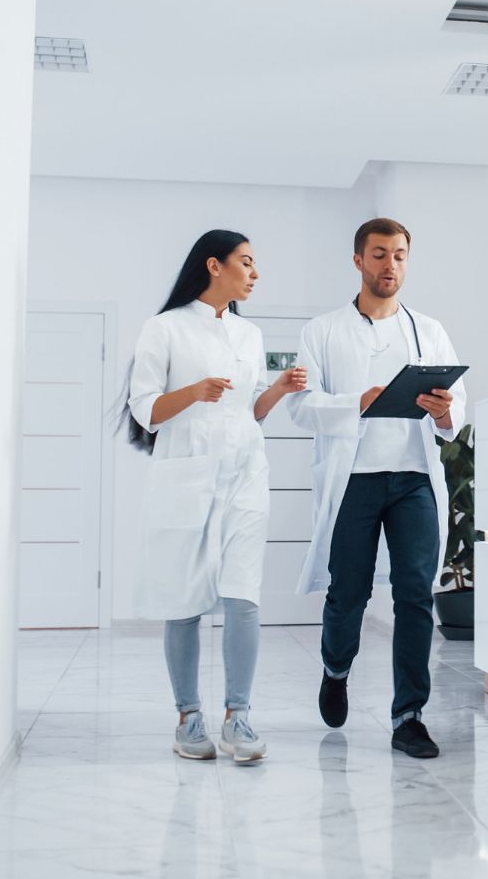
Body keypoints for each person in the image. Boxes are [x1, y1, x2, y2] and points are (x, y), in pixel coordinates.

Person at [125, 229, 308, 763]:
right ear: (214, 266)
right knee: (182, 598)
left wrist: (279, 389)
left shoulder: (249, 334)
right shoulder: (164, 328)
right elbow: (145, 410)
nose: (254, 273)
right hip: (187, 474)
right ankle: (188, 718)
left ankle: (238, 718)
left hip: (245, 475)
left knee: (244, 594)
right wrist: (193, 392)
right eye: (246, 262)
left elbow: (250, 411)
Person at [286, 217, 466, 759]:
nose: (391, 265)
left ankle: (409, 716)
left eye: (400, 255)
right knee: (349, 593)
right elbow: (300, 407)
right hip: (353, 482)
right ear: (359, 260)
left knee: (415, 595)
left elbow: (456, 411)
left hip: (414, 479)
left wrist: (442, 412)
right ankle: (336, 668)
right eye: (381, 254)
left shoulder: (429, 330)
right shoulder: (321, 331)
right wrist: (355, 403)